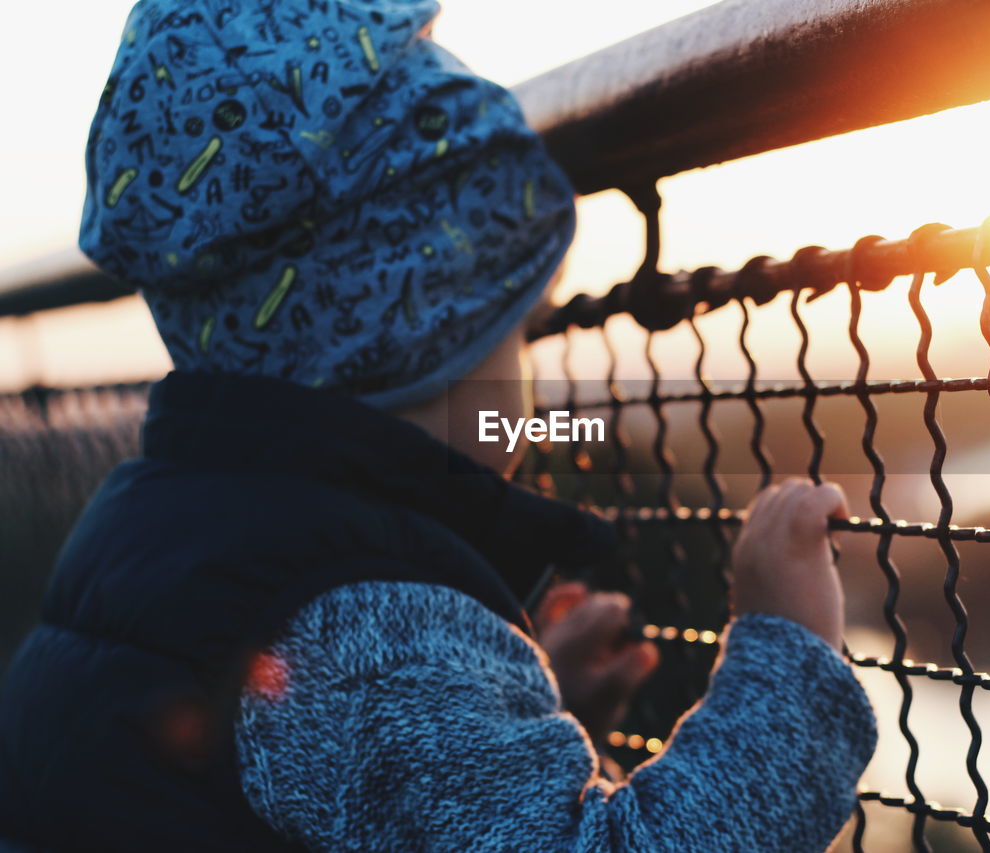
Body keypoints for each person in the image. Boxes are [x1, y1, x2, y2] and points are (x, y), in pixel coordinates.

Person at [0, 1, 877, 850]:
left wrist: (503, 731)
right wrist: (787, 663)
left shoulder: (164, 528)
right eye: (515, 333)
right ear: (419, 348)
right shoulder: (364, 639)